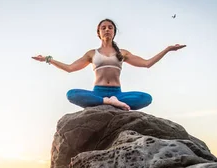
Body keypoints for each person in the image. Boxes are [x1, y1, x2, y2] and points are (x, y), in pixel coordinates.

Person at [32, 18, 186, 111]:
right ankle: (107, 102)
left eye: (110, 27)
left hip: (118, 93)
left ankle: (112, 101)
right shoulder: (91, 53)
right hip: (97, 92)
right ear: (98, 32)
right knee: (71, 94)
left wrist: (168, 49)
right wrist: (48, 59)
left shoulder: (123, 53)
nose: (107, 30)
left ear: (114, 32)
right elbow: (70, 68)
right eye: (103, 28)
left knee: (146, 98)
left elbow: (147, 64)